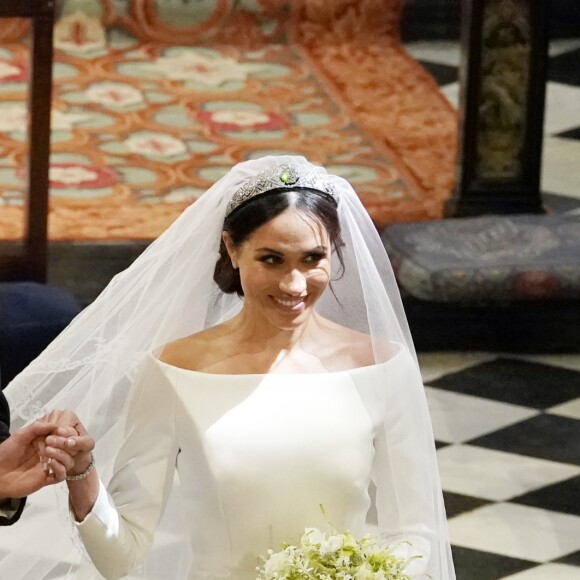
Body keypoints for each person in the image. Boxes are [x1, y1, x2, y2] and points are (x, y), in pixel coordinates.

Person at [1, 156, 455, 579]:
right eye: (271, 259)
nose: (294, 284)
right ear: (232, 250)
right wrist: (82, 474)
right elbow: (121, 557)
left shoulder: (382, 367)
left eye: (312, 259)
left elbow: (416, 533)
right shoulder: (174, 370)